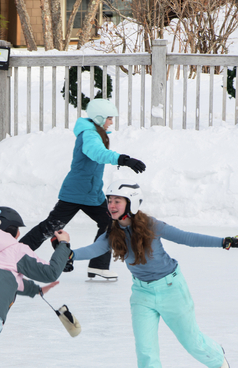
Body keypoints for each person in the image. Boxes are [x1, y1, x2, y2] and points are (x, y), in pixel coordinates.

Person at [71, 180, 238, 368]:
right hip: (141, 294)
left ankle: (217, 357)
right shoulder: (112, 232)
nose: (111, 205)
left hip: (171, 289)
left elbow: (186, 238)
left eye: (117, 201)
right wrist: (70, 255)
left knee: (192, 343)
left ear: (131, 203)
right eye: (109, 200)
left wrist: (225, 242)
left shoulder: (150, 225)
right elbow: (94, 249)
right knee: (146, 352)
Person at [20, 98, 146, 281]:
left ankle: (98, 266)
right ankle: (14, 256)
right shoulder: (90, 134)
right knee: (50, 227)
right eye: (109, 118)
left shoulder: (97, 132)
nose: (112, 121)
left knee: (109, 223)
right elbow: (97, 153)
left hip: (91, 193)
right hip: (76, 192)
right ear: (100, 117)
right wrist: (123, 160)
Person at [0, 206, 71, 368]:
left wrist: (35, 290)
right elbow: (50, 272)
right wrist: (64, 244)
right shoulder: (17, 249)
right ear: (13, 231)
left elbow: (4, 279)